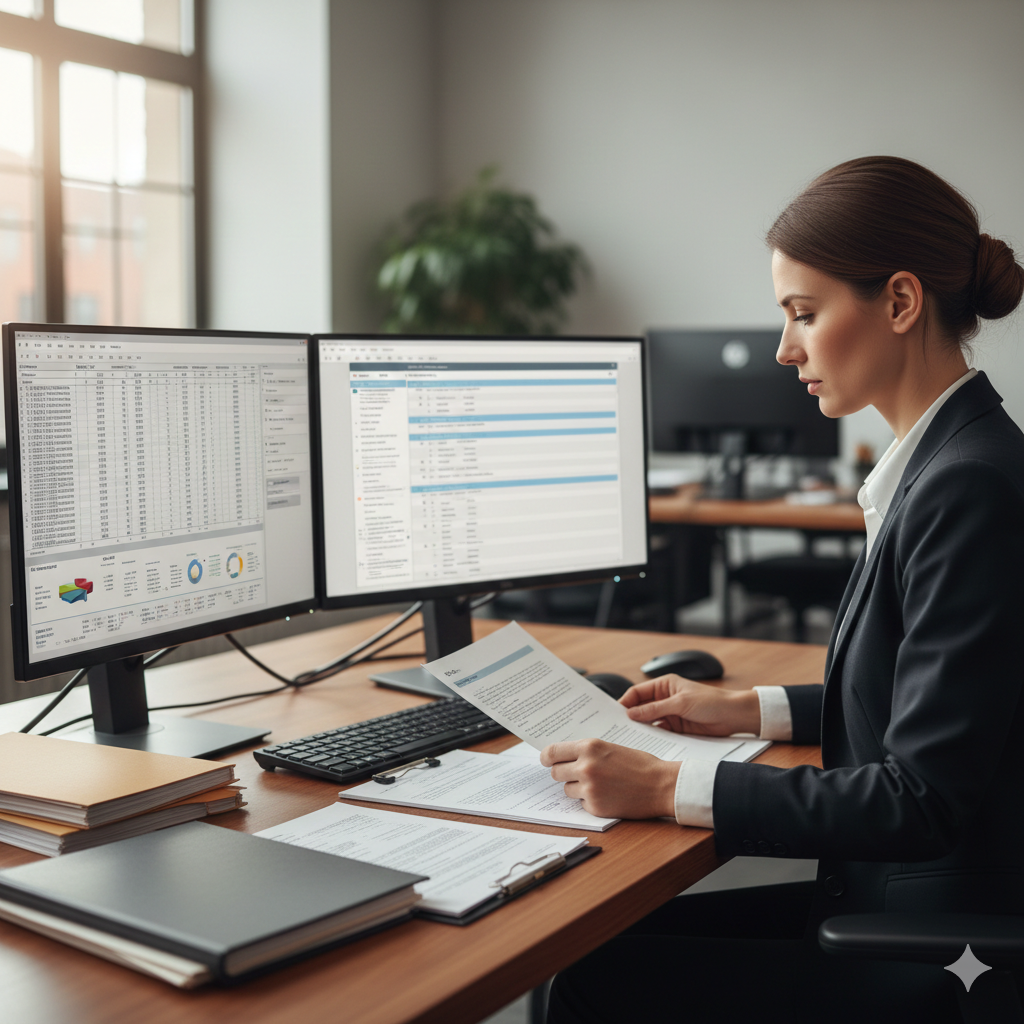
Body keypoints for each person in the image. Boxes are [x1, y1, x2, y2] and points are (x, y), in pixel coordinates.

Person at [542, 156, 1024, 1024]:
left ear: (901, 303)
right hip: (898, 904)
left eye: (804, 313)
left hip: (935, 943)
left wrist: (665, 789)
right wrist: (743, 709)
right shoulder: (953, 460)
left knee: (584, 981)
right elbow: (930, 694)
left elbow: (920, 799)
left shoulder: (968, 487)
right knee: (598, 951)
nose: (784, 348)